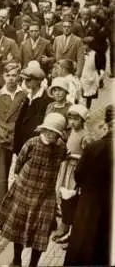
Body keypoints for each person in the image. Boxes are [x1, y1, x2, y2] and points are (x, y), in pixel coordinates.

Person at [0, 113, 67, 267]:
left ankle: (33, 264)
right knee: (18, 227)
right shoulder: (32, 143)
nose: (50, 134)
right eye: (48, 130)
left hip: (45, 196)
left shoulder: (60, 148)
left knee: (41, 231)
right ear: (42, 129)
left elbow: (64, 157)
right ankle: (17, 260)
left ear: (59, 135)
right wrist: (21, 181)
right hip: (24, 191)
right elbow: (19, 163)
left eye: (54, 132)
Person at [64, 105, 113, 266]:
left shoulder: (95, 147)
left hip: (90, 203)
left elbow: (79, 174)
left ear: (105, 126)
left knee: (84, 243)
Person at [0, 63, 27, 206]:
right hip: (3, 139)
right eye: (8, 75)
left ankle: (18, 206)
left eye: (14, 75)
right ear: (3, 76)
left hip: (20, 139)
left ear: (19, 77)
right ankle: (1, 207)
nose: (11, 79)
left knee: (22, 174)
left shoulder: (24, 95)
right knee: (3, 177)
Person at [53, 104, 90, 248]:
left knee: (73, 200)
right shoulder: (71, 132)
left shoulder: (85, 136)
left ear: (82, 120)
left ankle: (73, 234)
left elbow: (87, 156)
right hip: (66, 168)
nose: (73, 122)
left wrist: (73, 156)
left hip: (75, 170)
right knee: (64, 198)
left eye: (76, 119)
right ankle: (64, 227)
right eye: (71, 119)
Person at [13, 65, 53, 154]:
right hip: (24, 142)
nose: (26, 82)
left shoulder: (46, 100)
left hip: (36, 144)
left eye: (28, 80)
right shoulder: (28, 97)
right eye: (24, 80)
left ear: (38, 81)